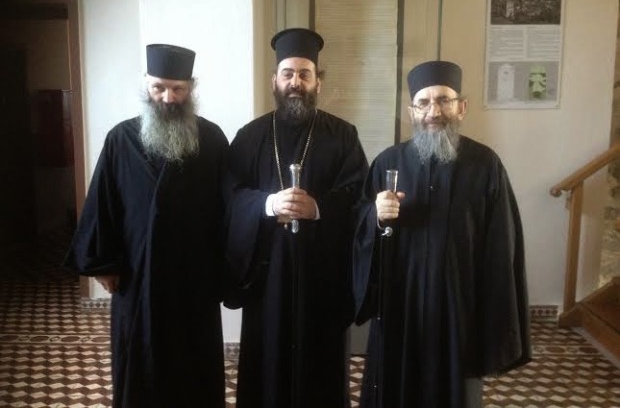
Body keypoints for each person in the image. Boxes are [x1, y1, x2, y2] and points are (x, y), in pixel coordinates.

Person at [352, 60, 531, 408]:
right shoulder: (387, 162)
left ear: (461, 107)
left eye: (444, 100)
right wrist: (374, 216)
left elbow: (502, 245)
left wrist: (492, 315)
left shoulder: (486, 165)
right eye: (423, 102)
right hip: (400, 307)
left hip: (459, 309)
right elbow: (360, 227)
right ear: (412, 112)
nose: (434, 111)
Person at [63, 44, 229, 408]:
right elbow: (103, 203)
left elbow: (228, 209)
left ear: (190, 88)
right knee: (139, 362)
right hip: (137, 276)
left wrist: (224, 270)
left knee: (193, 366)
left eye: (178, 89)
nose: (168, 98)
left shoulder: (213, 140)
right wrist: (104, 264)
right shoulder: (120, 139)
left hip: (193, 278)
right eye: (159, 88)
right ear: (147, 86)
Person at [225, 27, 369, 408]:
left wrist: (318, 209)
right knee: (266, 371)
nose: (295, 82)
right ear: (274, 80)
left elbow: (359, 199)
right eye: (288, 73)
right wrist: (268, 205)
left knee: (319, 373)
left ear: (317, 81)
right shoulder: (250, 136)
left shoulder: (343, 136)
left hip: (321, 279)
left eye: (305, 74)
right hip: (267, 280)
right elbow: (230, 197)